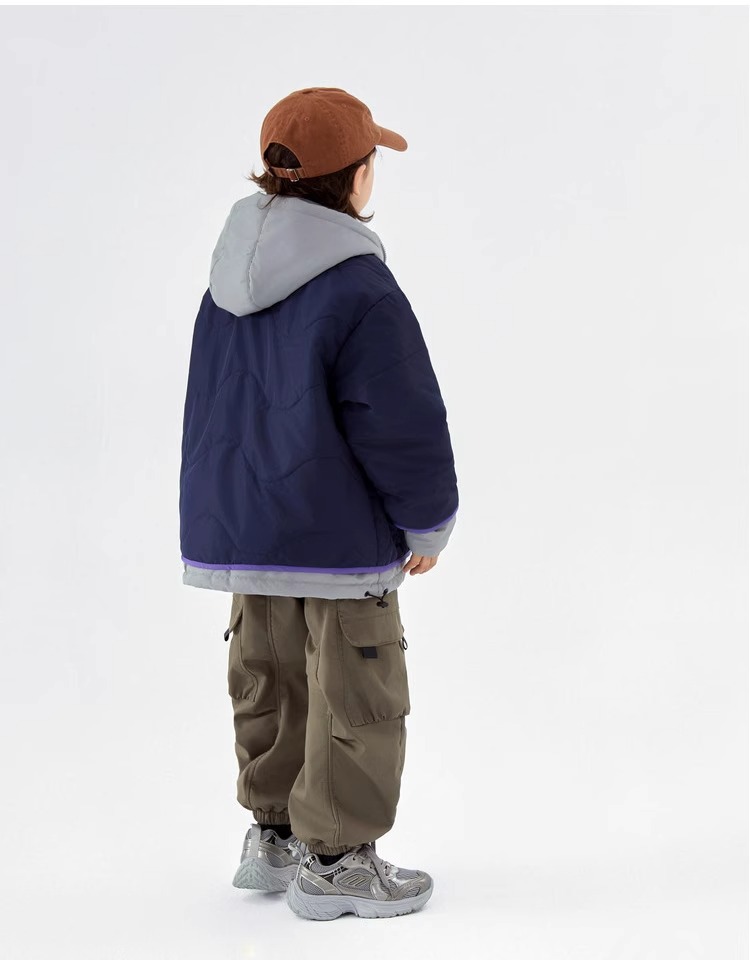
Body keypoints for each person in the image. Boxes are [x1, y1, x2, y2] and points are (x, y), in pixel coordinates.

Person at [179, 87, 459, 921]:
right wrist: (427, 519)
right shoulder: (360, 288)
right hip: (335, 534)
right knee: (355, 693)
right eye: (372, 161)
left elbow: (216, 406)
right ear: (356, 176)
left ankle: (272, 835)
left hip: (247, 527)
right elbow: (400, 420)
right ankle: (336, 861)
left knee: (269, 679)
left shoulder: (225, 279)